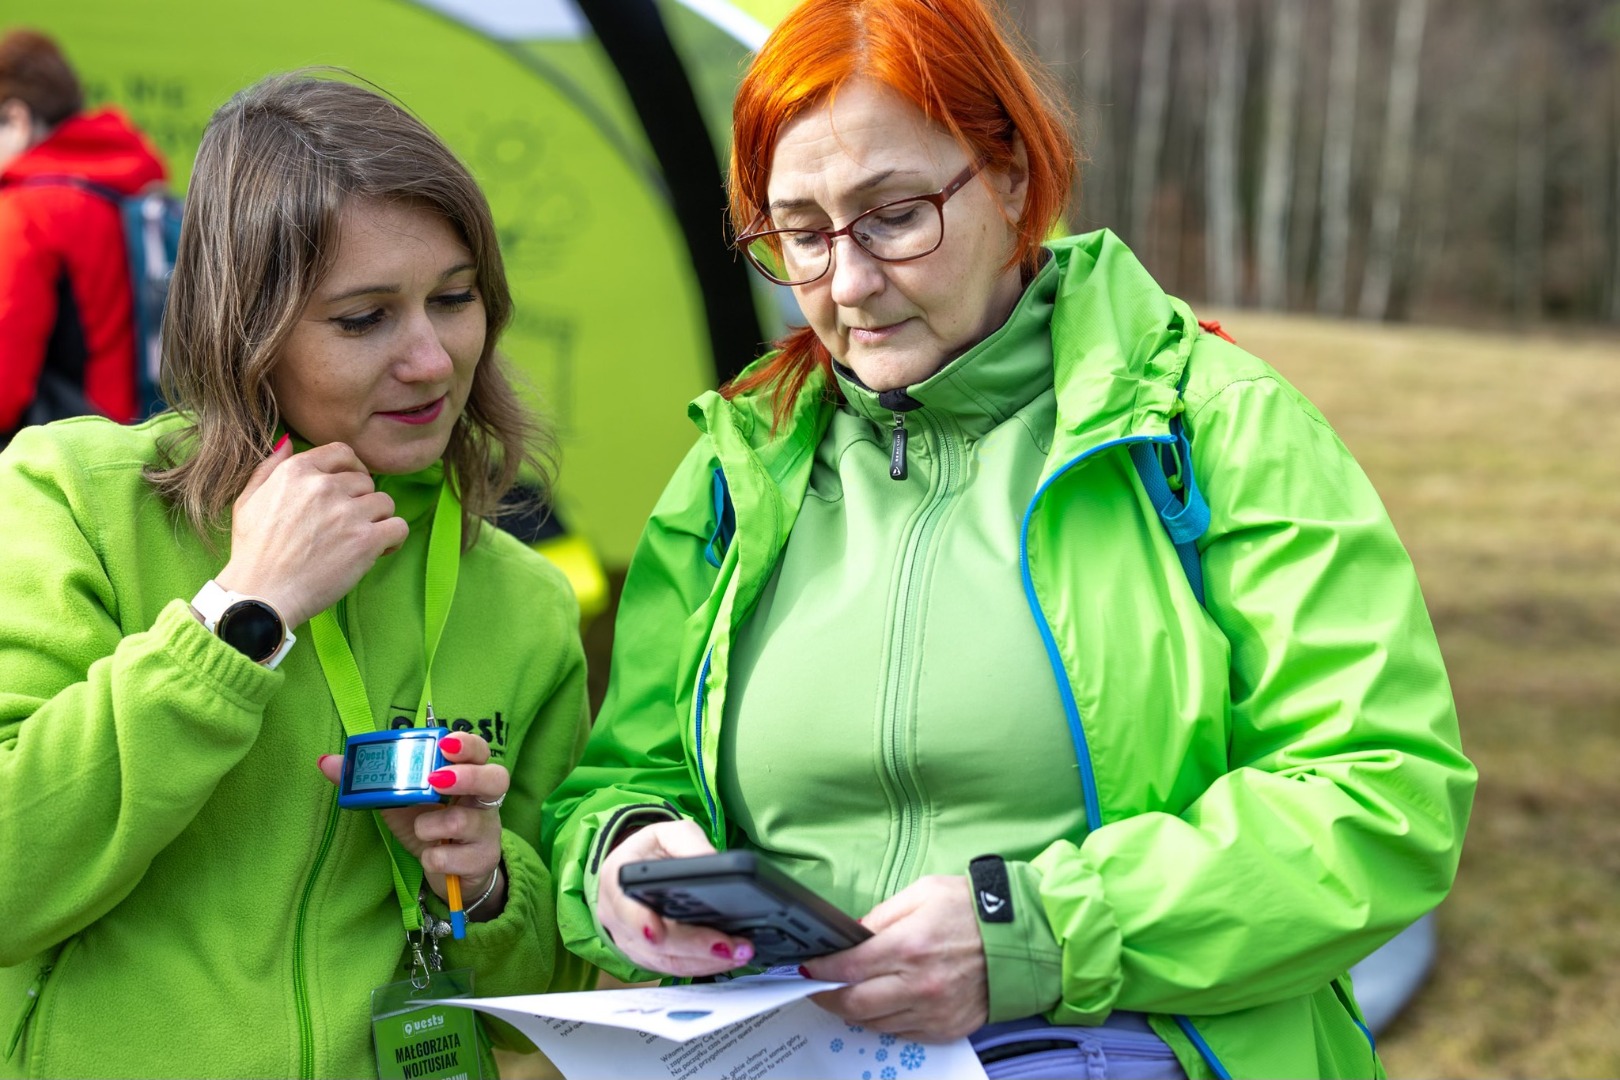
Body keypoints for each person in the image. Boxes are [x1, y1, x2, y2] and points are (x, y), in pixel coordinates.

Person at [543, 0, 1477, 1076]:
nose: (846, 283)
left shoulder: (1213, 427)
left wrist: (1034, 932)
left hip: (1124, 1041)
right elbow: (618, 784)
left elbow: (1379, 796)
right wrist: (618, 863)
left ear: (1014, 179)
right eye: (799, 233)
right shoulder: (732, 469)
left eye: (895, 215)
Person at [0, 72, 592, 1078]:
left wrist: (485, 888)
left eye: (454, 300)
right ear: (247, 333)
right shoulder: (71, 497)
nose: (430, 359)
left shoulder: (526, 601)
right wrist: (240, 617)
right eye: (363, 319)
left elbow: (547, 1008)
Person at [0, 28, 165, 442]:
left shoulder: (25, 212)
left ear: (17, 120)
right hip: (149, 440)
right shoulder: (132, 188)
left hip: (70, 459)